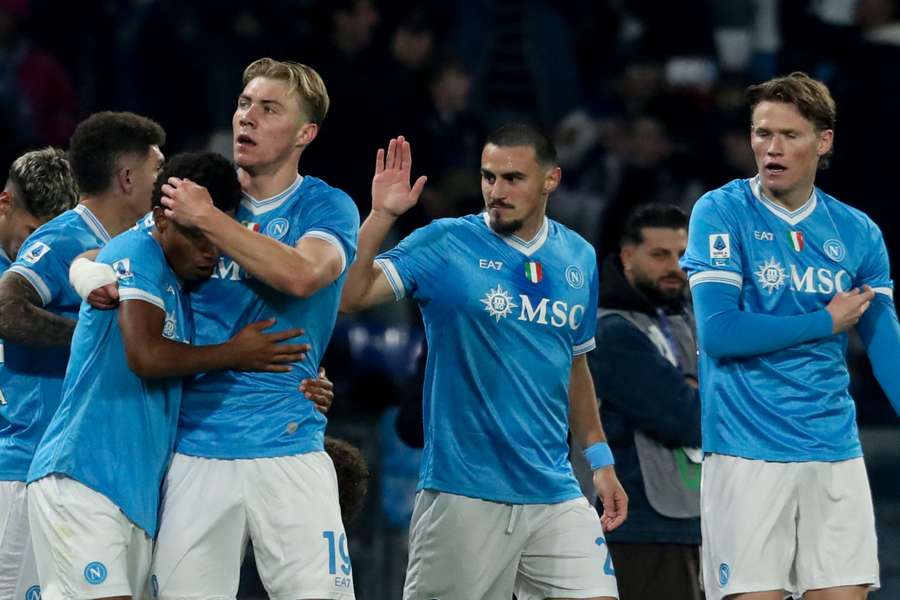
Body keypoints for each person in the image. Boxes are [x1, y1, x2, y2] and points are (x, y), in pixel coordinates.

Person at [340, 125, 627, 600]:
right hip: (463, 491)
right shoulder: (445, 243)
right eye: (488, 178)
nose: (497, 191)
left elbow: (574, 364)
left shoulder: (579, 256)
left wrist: (600, 461)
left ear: (551, 180)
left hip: (554, 491)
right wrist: (380, 216)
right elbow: (351, 296)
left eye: (513, 178)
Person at [26, 151, 311, 600]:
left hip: (133, 496)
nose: (210, 252)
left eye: (217, 237)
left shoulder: (178, 282)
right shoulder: (138, 253)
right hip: (82, 478)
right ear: (161, 218)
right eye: (198, 235)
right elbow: (145, 355)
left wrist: (298, 388)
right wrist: (234, 353)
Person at [144, 58, 359, 599]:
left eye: (269, 109)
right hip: (195, 451)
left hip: (288, 448)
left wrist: (208, 219)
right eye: (244, 104)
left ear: (304, 133)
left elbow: (304, 274)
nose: (248, 118)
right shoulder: (198, 193)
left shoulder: (325, 205)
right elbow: (129, 269)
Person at [681, 72, 900, 600]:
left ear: (823, 142)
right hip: (746, 451)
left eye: (789, 136)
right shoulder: (721, 211)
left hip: (834, 450)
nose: (771, 149)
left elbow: (886, 347)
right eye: (762, 134)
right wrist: (824, 322)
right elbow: (719, 333)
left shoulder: (858, 231)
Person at [0, 112, 164, 600]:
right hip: (29, 468)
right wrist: (90, 337)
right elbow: (6, 308)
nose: (166, 180)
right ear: (128, 178)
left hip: (101, 475)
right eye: (158, 170)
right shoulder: (64, 236)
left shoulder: (141, 249)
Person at [588, 203, 702, 600]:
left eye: (682, 255)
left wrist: (691, 386)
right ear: (627, 257)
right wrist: (694, 390)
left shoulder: (690, 319)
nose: (675, 266)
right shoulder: (611, 329)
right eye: (659, 255)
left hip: (694, 517)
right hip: (639, 524)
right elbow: (685, 418)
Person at [0, 147, 79, 600]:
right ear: (5, 204)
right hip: (14, 470)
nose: (35, 250)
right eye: (30, 233)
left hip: (60, 471)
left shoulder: (69, 266)